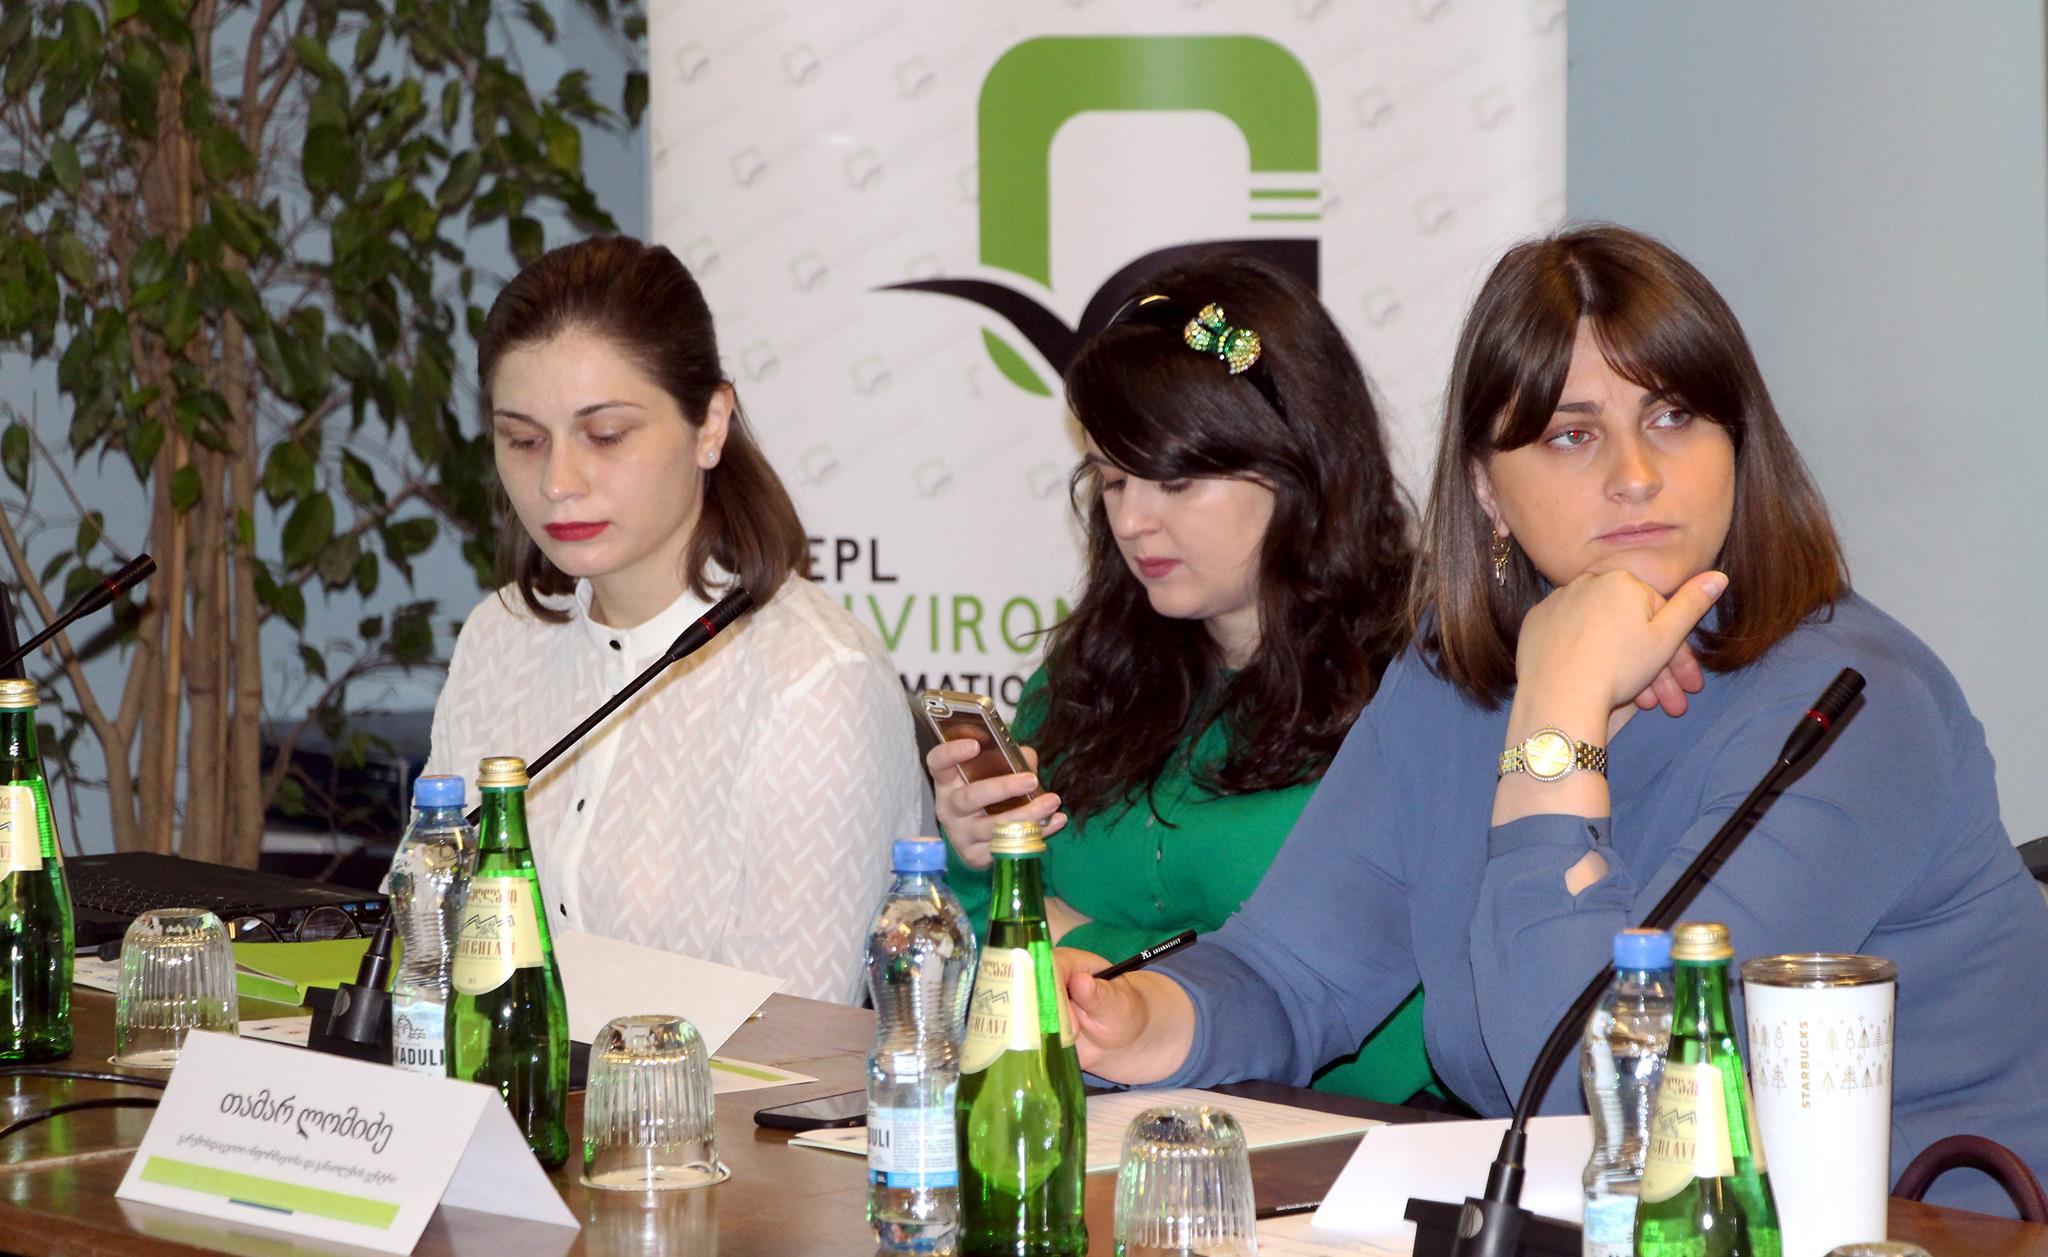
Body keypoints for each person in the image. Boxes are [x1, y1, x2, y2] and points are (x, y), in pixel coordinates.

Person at [1061, 224, 2048, 1216]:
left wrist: (1555, 718)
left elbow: (1605, 1094)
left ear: (1738, 445)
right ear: (1486, 489)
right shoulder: (1450, 677)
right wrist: (1137, 1020)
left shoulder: (1852, 708)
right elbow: (1290, 971)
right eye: (1571, 435)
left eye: (1673, 416)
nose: (1635, 473)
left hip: (1917, 1224)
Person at [931, 252, 1438, 1103]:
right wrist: (984, 862)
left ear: (1299, 464)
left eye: (1176, 479)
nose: (1133, 520)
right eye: (1113, 478)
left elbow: (1390, 1034)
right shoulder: (1093, 671)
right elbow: (989, 968)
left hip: (1340, 1149)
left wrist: (1092, 946)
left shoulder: (1424, 683)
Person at [428, 236, 925, 1004]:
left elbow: (786, 1037)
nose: (557, 481)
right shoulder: (499, 638)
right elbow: (431, 951)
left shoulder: (816, 685)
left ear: (711, 425)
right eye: (523, 440)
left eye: (606, 435)